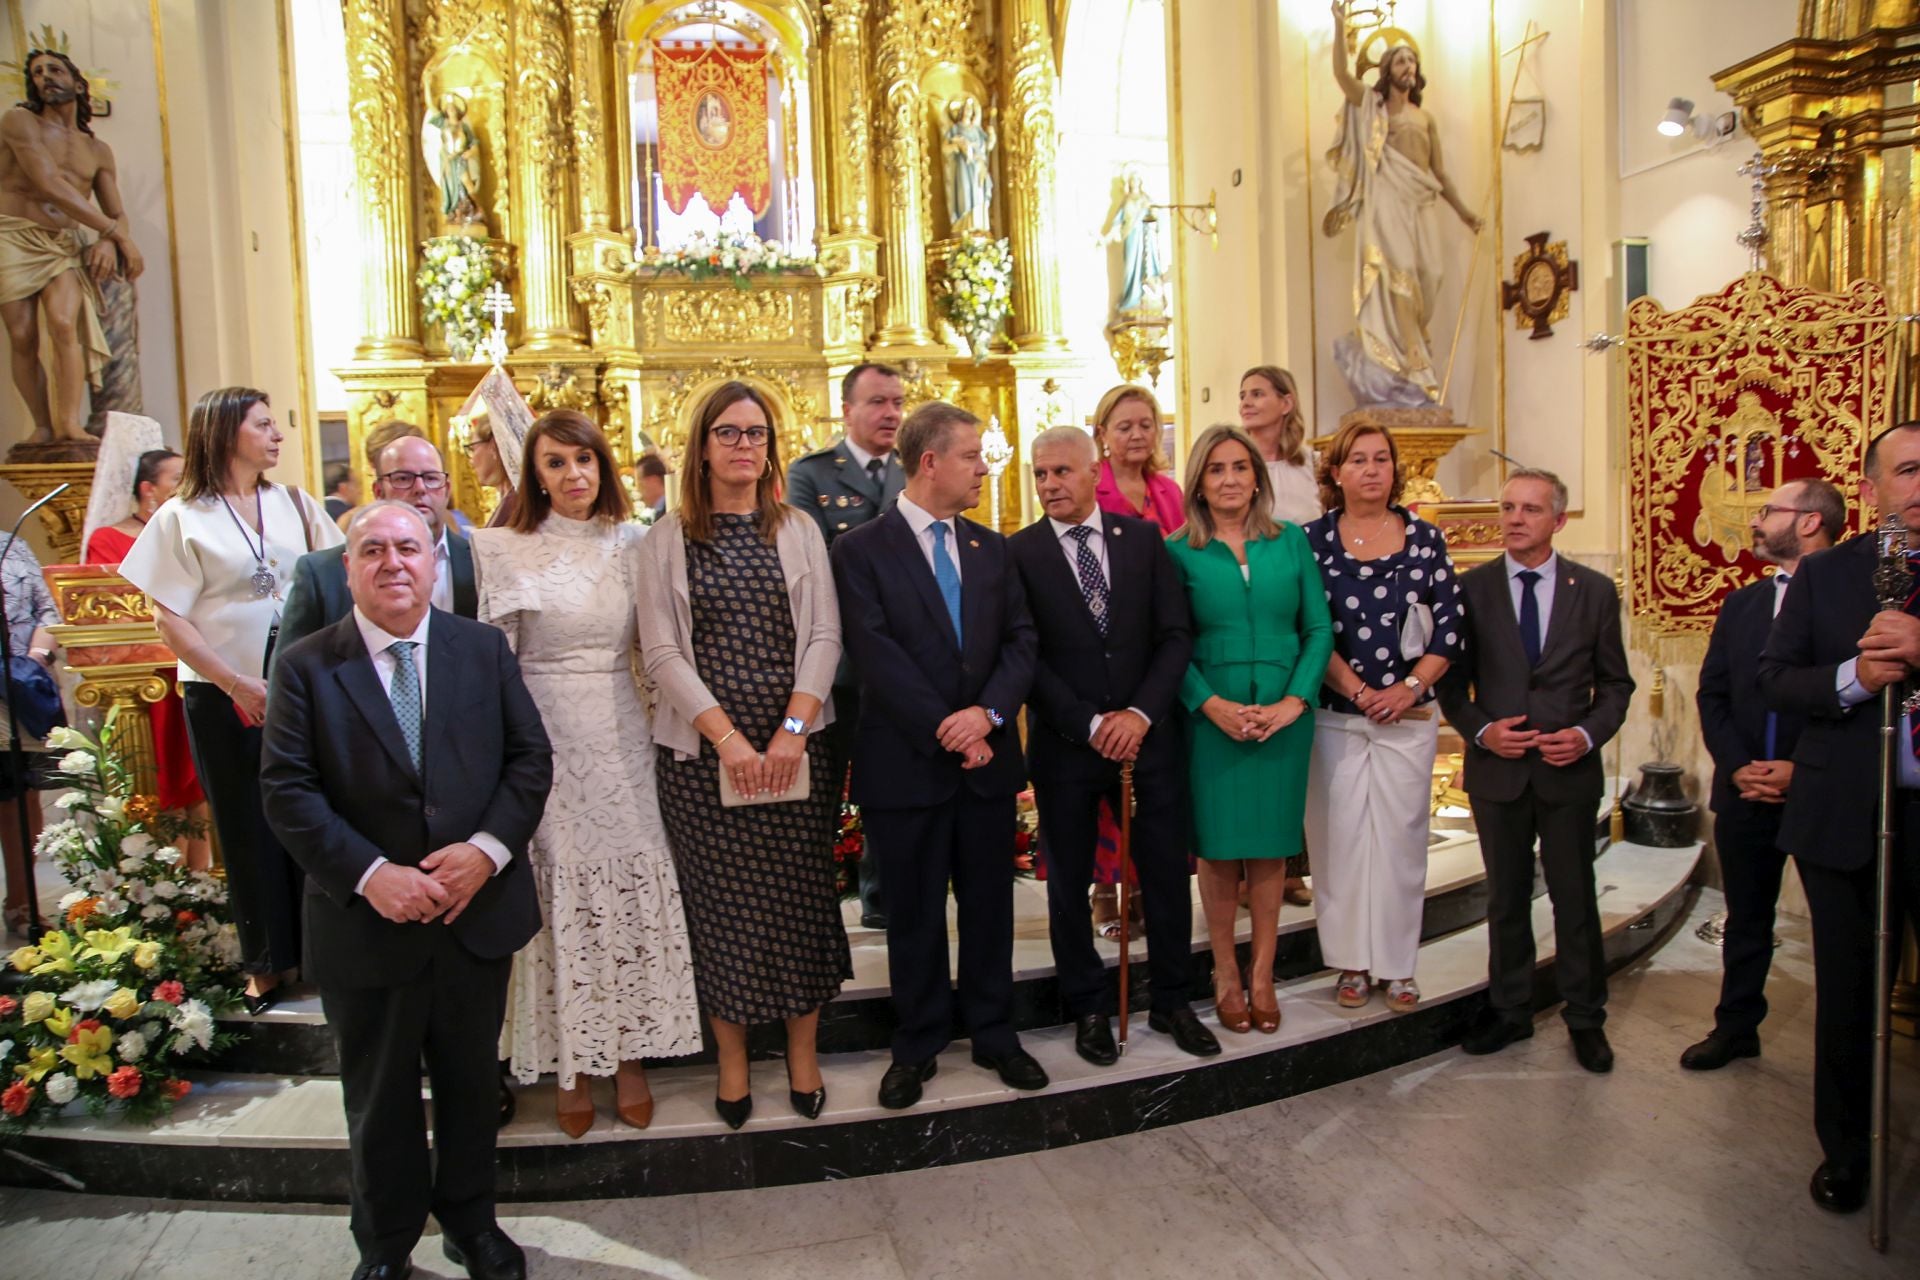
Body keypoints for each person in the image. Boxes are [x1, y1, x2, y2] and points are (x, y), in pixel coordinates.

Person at [262, 500, 550, 1280]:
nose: (394, 563)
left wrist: (486, 853)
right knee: (379, 1095)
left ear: (435, 562)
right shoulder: (307, 665)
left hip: (472, 914)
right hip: (367, 922)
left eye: (410, 548)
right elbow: (287, 789)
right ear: (347, 567)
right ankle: (386, 1245)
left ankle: (472, 1223)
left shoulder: (482, 650)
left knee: (469, 1086)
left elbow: (529, 761)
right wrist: (370, 874)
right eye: (374, 550)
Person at [472, 409, 701, 1137]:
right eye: (555, 464)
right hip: (545, 740)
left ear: (604, 466)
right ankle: (574, 1063)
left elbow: (657, 650)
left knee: (629, 883)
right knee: (558, 892)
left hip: (623, 734)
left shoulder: (636, 543)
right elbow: (491, 665)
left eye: (584, 460)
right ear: (532, 476)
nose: (573, 476)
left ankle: (629, 1054)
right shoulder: (501, 546)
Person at [637, 382, 851, 1128]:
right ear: (701, 447)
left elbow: (824, 635)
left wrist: (789, 735)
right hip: (702, 753)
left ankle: (802, 1053)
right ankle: (732, 1060)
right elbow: (660, 650)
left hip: (794, 748)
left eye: (756, 433)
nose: (743, 446)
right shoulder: (665, 539)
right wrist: (728, 741)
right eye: (728, 433)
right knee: (723, 912)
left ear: (771, 447)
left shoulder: (797, 529)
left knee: (798, 906)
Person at [831, 400, 1044, 1108]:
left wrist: (985, 718)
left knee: (989, 906)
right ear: (930, 462)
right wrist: (947, 726)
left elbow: (1021, 642)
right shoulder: (860, 551)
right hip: (907, 763)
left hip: (984, 763)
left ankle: (994, 1032)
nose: (984, 467)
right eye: (972, 456)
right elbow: (874, 653)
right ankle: (917, 1041)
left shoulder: (993, 548)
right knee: (914, 913)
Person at [120, 387, 343, 1013]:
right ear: (224, 433)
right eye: (263, 425)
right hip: (224, 694)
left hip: (302, 690)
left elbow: (333, 576)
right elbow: (169, 619)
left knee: (315, 816)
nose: (277, 436)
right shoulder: (182, 516)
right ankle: (265, 962)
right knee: (246, 825)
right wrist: (235, 683)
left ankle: (321, 953)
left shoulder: (295, 503)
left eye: (276, 425)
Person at [1010, 426, 1219, 1065]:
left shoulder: (1143, 541)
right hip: (1068, 747)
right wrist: (1090, 722)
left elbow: (1175, 636)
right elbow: (1026, 655)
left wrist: (1138, 713)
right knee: (1069, 884)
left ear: (1093, 470)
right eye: (1040, 475)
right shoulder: (1019, 553)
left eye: (1061, 473)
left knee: (1162, 872)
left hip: (1149, 742)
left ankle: (1173, 1000)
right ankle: (1089, 1006)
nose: (1049, 486)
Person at [1757, 422, 1920, 1213]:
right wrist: (1855, 676)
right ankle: (1849, 1149)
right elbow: (1778, 680)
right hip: (1847, 813)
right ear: (1869, 489)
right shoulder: (1825, 577)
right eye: (1910, 471)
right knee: (1851, 994)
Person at [1437, 468, 1634, 1074]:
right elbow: (1448, 683)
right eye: (1508, 507)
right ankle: (1510, 1010)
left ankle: (1585, 1018)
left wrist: (1583, 735)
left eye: (1529, 509)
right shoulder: (1470, 589)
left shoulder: (1594, 591)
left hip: (1567, 773)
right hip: (1498, 771)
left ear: (1558, 520)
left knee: (1574, 898)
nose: (1515, 518)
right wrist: (1481, 730)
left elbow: (1616, 686)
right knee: (1506, 899)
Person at [1165, 424, 1333, 1034]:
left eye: (1240, 467)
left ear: (1257, 478)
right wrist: (1208, 704)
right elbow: (1169, 644)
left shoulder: (1289, 542)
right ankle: (1224, 972)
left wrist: (1296, 700)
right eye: (1216, 469)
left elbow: (1317, 629)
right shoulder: (1177, 549)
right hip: (1212, 720)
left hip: (1283, 717)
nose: (1230, 479)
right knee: (1217, 851)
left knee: (1270, 850)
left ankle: (1262, 973)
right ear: (1199, 484)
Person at [1301, 422, 1464, 1012]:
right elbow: (1309, 628)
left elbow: (1448, 627)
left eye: (1382, 460)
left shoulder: (1424, 539)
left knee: (1401, 842)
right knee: (1339, 841)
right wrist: (1361, 689)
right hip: (1336, 715)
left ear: (1395, 471)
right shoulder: (1311, 542)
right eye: (1358, 460)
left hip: (1407, 718)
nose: (1372, 470)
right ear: (1336, 471)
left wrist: (1409, 688)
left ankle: (1398, 966)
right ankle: (1349, 963)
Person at [1685, 479, 1843, 1073]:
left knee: (1835, 931)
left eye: (1770, 510)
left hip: (1822, 792)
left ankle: (1842, 1053)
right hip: (1746, 787)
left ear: (1807, 522)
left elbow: (1851, 700)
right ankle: (1735, 1027)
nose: (1757, 520)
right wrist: (1738, 766)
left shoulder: (1851, 601)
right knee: (1746, 917)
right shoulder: (1743, 604)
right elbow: (1713, 692)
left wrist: (1800, 770)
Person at [789, 361, 907, 929]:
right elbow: (814, 565)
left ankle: (883, 902)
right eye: (878, 402)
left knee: (888, 789)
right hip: (836, 668)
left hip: (903, 666)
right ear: (848, 410)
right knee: (824, 795)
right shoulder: (811, 476)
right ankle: (816, 909)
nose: (891, 413)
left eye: (898, 402)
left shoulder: (914, 469)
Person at [1325, 2, 1483, 407]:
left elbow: (1440, 174)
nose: (1407, 65)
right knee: (1401, 271)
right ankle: (1410, 351)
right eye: (1399, 59)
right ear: (1387, 70)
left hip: (1420, 202)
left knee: (1430, 273)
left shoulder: (1425, 118)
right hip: (1386, 199)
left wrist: (1465, 213)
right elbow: (1342, 75)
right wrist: (1340, 26)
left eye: (1412, 59)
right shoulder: (1373, 108)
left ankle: (1410, 345)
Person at [81, 437, 211, 872]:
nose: (185, 486)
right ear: (147, 489)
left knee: (202, 779)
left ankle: (207, 878)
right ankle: (165, 879)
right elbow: (112, 608)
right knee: (162, 777)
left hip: (195, 668)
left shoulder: (195, 532)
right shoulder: (109, 539)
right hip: (145, 682)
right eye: (176, 479)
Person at [1, 49, 142, 444]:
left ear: (79, 84)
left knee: (65, 325)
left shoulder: (97, 151)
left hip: (61, 243)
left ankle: (68, 423)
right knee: (23, 334)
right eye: (38, 72)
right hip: (13, 235)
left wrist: (110, 239)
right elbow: (48, 184)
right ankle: (42, 425)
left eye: (55, 70)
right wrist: (116, 236)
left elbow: (117, 212)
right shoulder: (19, 121)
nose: (46, 77)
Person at [1085, 384, 1184, 935]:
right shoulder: (1089, 489)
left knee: (1153, 785)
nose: (1137, 434)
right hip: (1104, 652)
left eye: (1146, 423)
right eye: (1124, 426)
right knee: (1106, 782)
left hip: (1160, 654)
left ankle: (1146, 883)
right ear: (1102, 434)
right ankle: (1104, 886)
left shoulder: (1169, 492)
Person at [278, 435, 477, 658]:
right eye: (403, 478)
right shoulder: (322, 573)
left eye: (431, 478)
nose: (420, 488)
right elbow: (289, 669)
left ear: (446, 489)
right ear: (378, 491)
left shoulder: (480, 563)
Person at [1239, 365, 1321, 906]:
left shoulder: (1310, 465)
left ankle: (1291, 869)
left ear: (1286, 402)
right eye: (1242, 395)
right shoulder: (1238, 464)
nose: (1247, 403)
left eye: (1258, 393)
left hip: (1303, 599)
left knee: (1297, 748)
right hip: (1255, 608)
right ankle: (1249, 871)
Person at [0, 530, 58, 937]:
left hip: (18, 686)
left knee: (20, 794)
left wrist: (35, 660)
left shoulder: (13, 542)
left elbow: (48, 610)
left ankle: (23, 902)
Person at [463, 415, 519, 530]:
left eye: (473, 449)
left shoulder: (515, 503)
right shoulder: (510, 499)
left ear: (493, 446)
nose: (471, 461)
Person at [636, 451, 669, 521]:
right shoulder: (661, 511)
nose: (638, 490)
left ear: (652, 481)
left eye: (640, 483)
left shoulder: (669, 511)